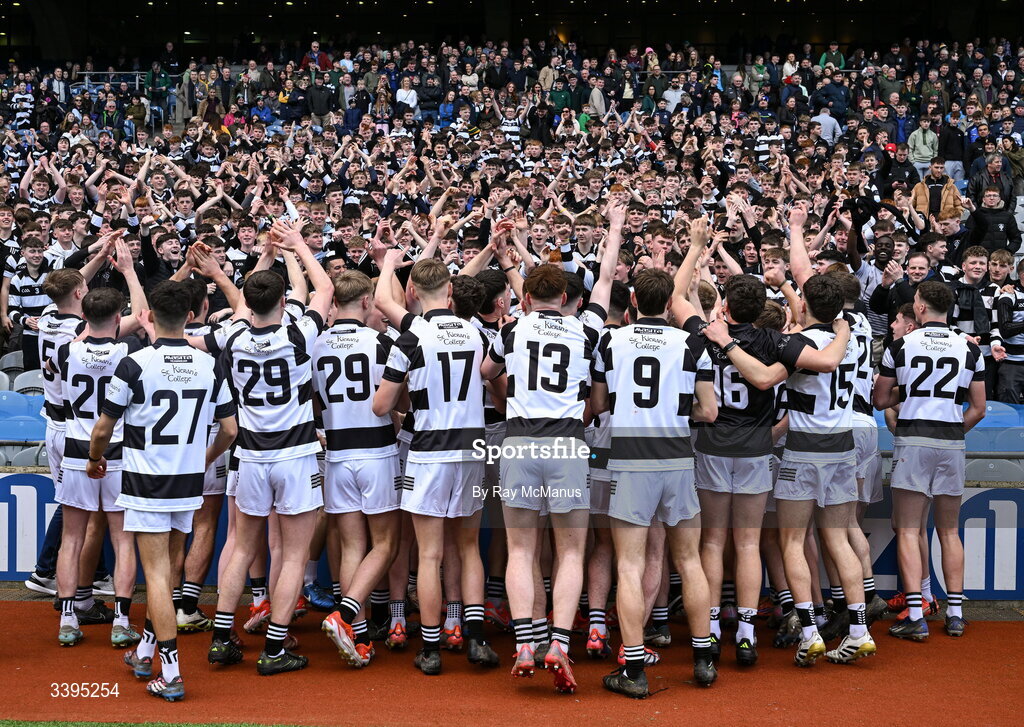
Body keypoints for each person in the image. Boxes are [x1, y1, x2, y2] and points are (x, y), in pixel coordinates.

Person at [88, 279, 236, 701]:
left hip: (146, 482)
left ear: (148, 316)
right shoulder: (211, 364)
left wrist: (95, 458)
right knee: (168, 571)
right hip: (188, 482)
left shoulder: (136, 363)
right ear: (191, 316)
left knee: (156, 575)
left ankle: (170, 672)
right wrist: (203, 462)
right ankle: (146, 650)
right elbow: (229, 430)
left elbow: (103, 427)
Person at [205, 221, 333, 676]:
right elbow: (324, 287)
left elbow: (243, 305)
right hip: (295, 453)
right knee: (294, 554)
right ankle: (276, 647)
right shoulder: (300, 334)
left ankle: (223, 637)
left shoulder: (233, 336)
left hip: (250, 455)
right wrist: (296, 245)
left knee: (240, 546)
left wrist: (265, 253)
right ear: (282, 301)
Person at [592, 258, 719, 698]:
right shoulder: (691, 344)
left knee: (629, 564)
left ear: (631, 301)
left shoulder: (611, 341)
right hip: (678, 459)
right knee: (688, 560)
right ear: (669, 303)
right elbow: (709, 411)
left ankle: (633, 668)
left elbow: (599, 404)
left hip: (630, 461)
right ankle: (703, 657)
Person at [373, 251, 494, 675]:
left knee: (428, 554)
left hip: (429, 449)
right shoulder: (478, 332)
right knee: (467, 546)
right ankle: (475, 638)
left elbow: (381, 405)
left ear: (413, 292)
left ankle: (430, 647)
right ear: (450, 290)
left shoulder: (412, 337)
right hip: (472, 448)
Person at [874, 281, 986, 640]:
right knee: (950, 531)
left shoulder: (901, 345)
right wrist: (954, 430)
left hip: (913, 442)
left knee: (909, 529)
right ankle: (955, 613)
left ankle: (916, 615)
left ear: (919, 307)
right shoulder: (969, 349)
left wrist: (906, 390)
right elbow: (979, 408)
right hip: (951, 442)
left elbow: (879, 400)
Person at [50, 241, 146, 649]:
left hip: (77, 449)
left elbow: (86, 321)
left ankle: (68, 619)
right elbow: (142, 315)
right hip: (119, 450)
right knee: (123, 538)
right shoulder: (129, 352)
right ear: (119, 316)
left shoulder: (66, 348)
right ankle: (121, 622)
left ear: (84, 315)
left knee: (72, 537)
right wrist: (127, 269)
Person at [316, 271, 403, 669]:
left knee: (352, 545)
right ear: (367, 302)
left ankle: (360, 636)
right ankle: (347, 616)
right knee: (385, 544)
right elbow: (395, 401)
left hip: (337, 452)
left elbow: (316, 403)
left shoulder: (315, 344)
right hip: (377, 450)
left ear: (335, 304)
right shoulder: (382, 341)